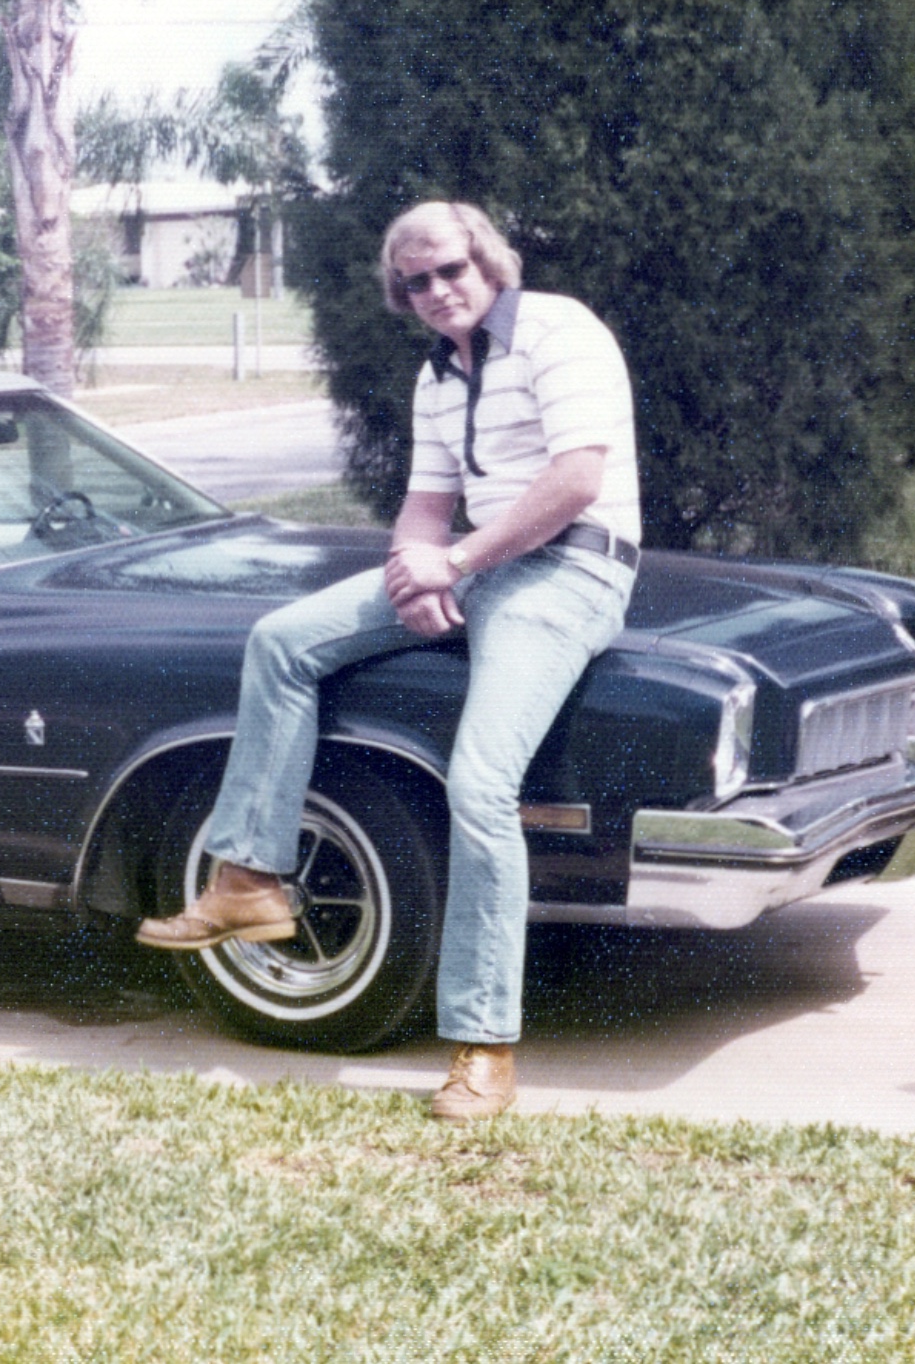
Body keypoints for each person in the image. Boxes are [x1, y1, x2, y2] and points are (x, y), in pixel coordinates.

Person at [135, 200, 642, 1124]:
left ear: (488, 260)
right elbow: (425, 505)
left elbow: (576, 482)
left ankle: (483, 1049)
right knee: (283, 642)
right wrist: (416, 571)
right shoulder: (438, 375)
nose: (437, 291)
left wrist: (456, 561)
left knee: (481, 784)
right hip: (477, 566)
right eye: (416, 282)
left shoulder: (562, 331)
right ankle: (248, 880)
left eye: (450, 269)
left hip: (571, 571)